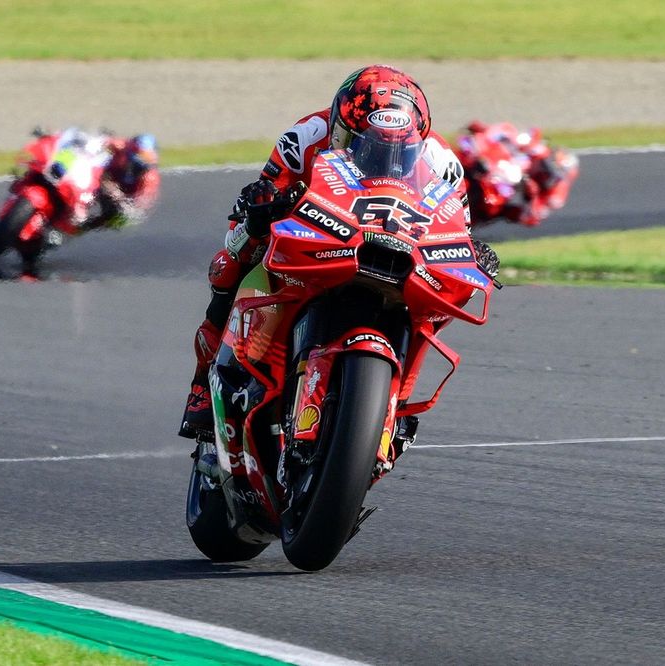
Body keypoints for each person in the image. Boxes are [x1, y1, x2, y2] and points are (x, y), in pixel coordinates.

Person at [178, 64, 499, 441]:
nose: (379, 156)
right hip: (314, 234)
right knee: (233, 256)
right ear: (338, 128)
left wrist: (471, 252)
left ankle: (395, 409)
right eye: (361, 142)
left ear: (418, 141)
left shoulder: (443, 164)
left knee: (448, 290)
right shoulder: (306, 137)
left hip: (392, 245)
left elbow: (455, 227)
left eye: (395, 150)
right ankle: (204, 381)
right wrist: (263, 203)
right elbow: (261, 193)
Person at [456, 120, 577, 226]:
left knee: (493, 207)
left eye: (548, 169)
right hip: (502, 166)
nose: (542, 168)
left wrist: (531, 196)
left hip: (508, 187)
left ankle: (468, 220)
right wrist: (485, 130)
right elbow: (513, 135)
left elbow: (532, 218)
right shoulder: (541, 151)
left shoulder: (555, 197)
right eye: (546, 162)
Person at [83, 133, 161, 231]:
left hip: (124, 199)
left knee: (119, 218)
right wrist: (93, 144)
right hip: (106, 178)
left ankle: (89, 226)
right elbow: (100, 141)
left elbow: (140, 208)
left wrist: (119, 197)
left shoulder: (150, 179)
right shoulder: (123, 146)